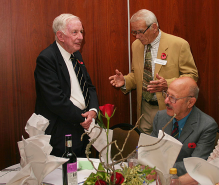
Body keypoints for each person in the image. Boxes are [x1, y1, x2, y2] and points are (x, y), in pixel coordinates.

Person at [109, 9, 198, 135]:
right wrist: (125, 81)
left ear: (154, 27)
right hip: (145, 109)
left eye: (140, 32)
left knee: (168, 149)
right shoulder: (136, 45)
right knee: (145, 148)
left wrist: (167, 84)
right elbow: (137, 75)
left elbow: (192, 76)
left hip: (170, 108)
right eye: (134, 32)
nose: (137, 36)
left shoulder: (178, 44)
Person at [34, 14, 99, 157]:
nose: (81, 37)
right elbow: (55, 100)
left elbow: (88, 86)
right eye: (75, 32)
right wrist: (83, 118)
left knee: (84, 171)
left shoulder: (77, 55)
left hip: (84, 127)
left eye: (81, 32)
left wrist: (93, 110)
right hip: (61, 130)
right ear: (60, 36)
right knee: (65, 175)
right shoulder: (47, 58)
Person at [151, 77, 218, 176]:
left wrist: (160, 169)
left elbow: (196, 164)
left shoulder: (206, 126)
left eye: (172, 98)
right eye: (166, 94)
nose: (166, 101)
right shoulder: (160, 117)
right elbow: (151, 149)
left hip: (185, 181)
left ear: (190, 102)